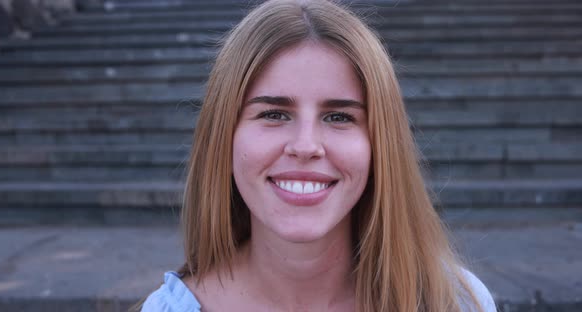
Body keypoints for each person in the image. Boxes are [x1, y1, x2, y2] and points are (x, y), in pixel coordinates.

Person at [139, 0, 496, 311]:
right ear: (224, 138)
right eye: (274, 114)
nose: (306, 146)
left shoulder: (455, 302)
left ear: (379, 146)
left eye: (339, 117)